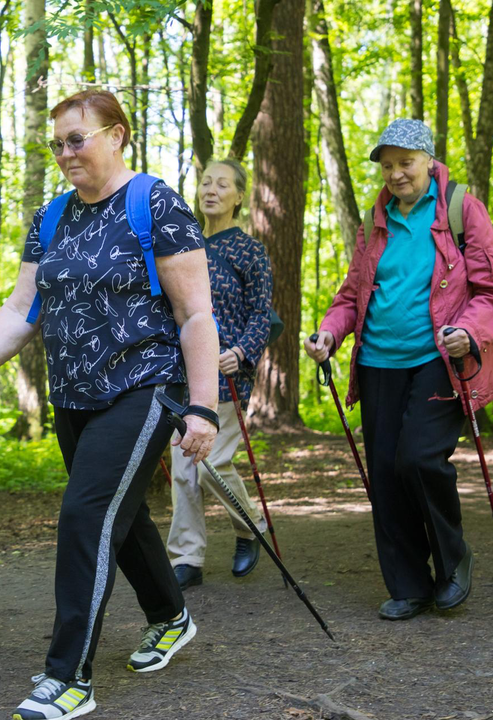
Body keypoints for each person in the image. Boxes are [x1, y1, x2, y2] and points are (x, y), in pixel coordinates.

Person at [0, 90, 219, 720]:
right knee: (120, 514)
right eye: (57, 142)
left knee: (85, 516)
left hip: (145, 386)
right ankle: (171, 616)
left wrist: (202, 406)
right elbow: (21, 309)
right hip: (74, 395)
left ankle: (67, 679)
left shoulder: (156, 206)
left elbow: (195, 312)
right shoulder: (52, 217)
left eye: (77, 138)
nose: (65, 152)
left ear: (116, 135)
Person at [304, 119, 493, 621]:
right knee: (386, 475)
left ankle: (454, 558)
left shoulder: (462, 210)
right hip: (378, 363)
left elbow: (492, 292)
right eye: (388, 165)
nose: (397, 174)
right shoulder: (375, 221)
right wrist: (331, 332)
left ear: (429, 161)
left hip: (439, 358)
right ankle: (409, 584)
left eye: (406, 163)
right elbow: (353, 295)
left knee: (418, 459)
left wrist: (470, 331)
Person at [168, 158, 273, 590]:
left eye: (222, 184)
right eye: (205, 182)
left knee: (210, 466)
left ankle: (250, 526)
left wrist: (242, 352)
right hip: (181, 373)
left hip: (228, 375)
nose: (211, 189)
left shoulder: (250, 251)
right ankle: (187, 558)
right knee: (182, 470)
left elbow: (261, 315)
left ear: (239, 197)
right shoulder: (181, 244)